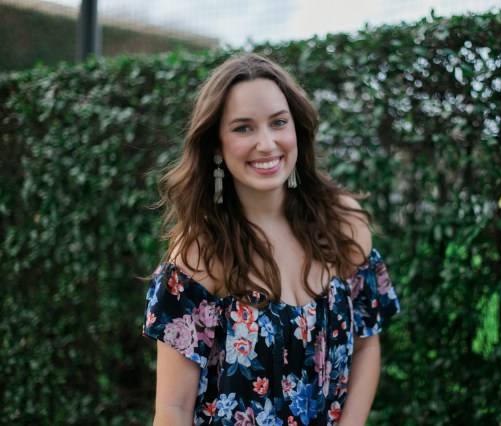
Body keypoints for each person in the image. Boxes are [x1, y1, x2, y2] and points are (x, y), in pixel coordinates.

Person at [142, 52, 400, 426]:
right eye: (243, 128)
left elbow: (366, 345)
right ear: (216, 144)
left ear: (297, 129)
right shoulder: (200, 251)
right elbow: (173, 409)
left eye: (278, 122)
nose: (266, 143)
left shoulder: (344, 224)